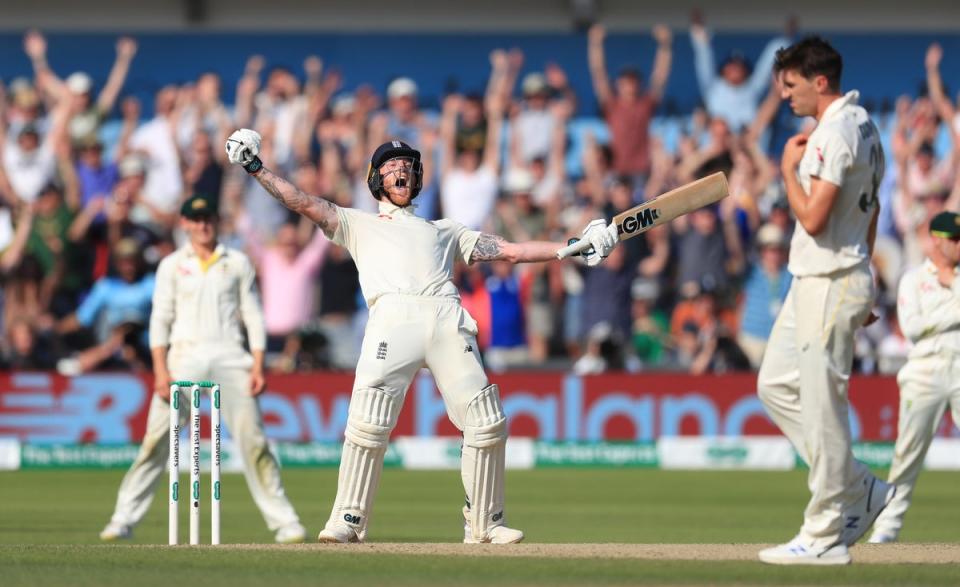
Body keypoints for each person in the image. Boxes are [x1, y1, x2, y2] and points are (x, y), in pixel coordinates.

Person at [224, 129, 617, 544]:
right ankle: (348, 520)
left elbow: (512, 251)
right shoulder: (357, 223)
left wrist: (572, 246)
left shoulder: (446, 230)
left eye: (408, 165)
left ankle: (485, 524)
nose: (401, 170)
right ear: (376, 178)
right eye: (392, 166)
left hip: (447, 316)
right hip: (392, 318)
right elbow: (300, 201)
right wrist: (255, 167)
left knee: (486, 422)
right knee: (368, 422)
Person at [98, 194, 307, 544]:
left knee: (254, 441)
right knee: (155, 441)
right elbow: (160, 320)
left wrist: (257, 365)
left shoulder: (237, 262)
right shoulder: (171, 265)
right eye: (195, 220)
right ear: (185, 224)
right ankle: (123, 519)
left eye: (207, 217)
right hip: (184, 358)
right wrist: (161, 371)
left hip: (230, 357)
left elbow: (253, 315)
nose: (202, 225)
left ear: (216, 220)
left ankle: (285, 522)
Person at [756, 36, 892, 566]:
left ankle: (824, 536)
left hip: (830, 280)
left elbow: (812, 218)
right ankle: (858, 487)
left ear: (818, 82)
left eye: (790, 86)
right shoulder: (863, 125)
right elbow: (873, 211)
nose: (785, 97)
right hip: (821, 276)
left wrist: (785, 173)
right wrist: (867, 273)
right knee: (774, 386)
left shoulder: (833, 134)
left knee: (824, 407)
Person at [867, 211, 960, 543]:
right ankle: (886, 530)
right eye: (955, 240)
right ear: (936, 240)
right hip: (925, 371)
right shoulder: (913, 278)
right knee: (907, 455)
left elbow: (927, 321)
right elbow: (913, 328)